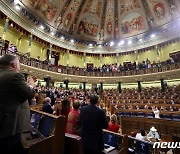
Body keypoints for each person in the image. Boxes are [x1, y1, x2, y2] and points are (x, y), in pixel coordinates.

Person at [0, 54, 35, 154]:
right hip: (9, 129)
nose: (19, 67)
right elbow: (30, 94)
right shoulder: (14, 76)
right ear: (14, 64)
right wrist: (31, 85)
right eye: (19, 64)